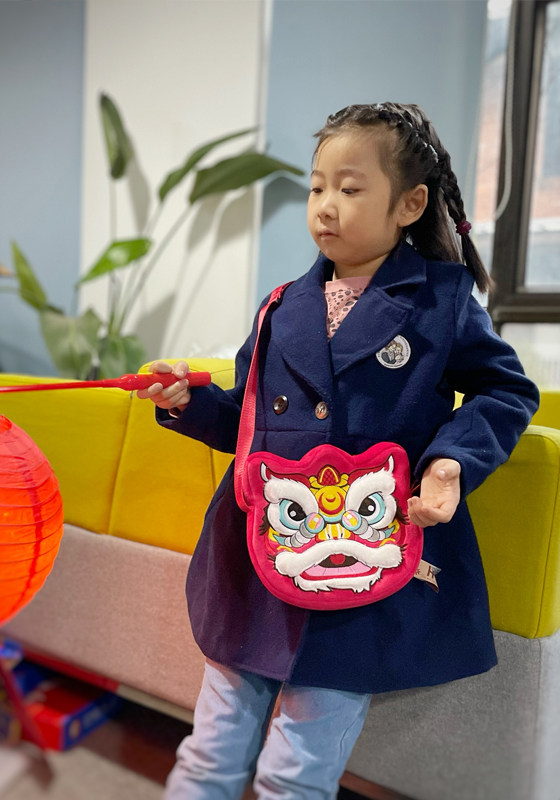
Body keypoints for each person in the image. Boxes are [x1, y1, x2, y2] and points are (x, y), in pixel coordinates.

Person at [137, 102, 540, 800]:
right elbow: (246, 421)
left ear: (410, 204)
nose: (326, 205)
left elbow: (506, 391)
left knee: (295, 772)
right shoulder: (281, 306)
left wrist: (450, 462)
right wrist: (186, 403)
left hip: (360, 553)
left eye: (350, 189)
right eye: (318, 186)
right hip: (264, 547)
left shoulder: (440, 302)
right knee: (210, 748)